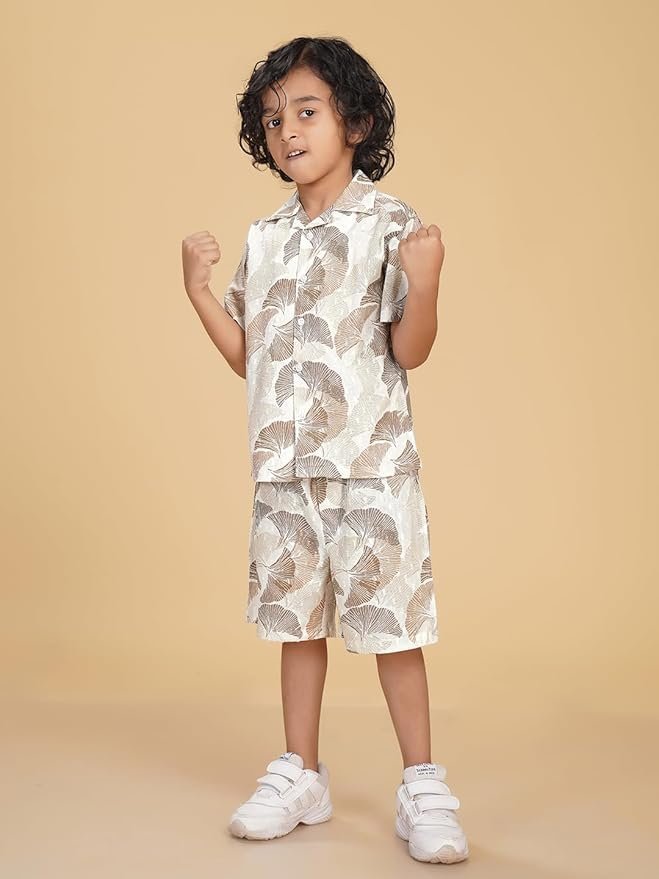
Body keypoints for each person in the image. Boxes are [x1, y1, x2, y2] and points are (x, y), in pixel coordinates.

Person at [181, 36, 469, 864]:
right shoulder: (266, 236)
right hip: (285, 470)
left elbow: (409, 349)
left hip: (372, 466)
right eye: (273, 120)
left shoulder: (391, 225)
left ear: (357, 122)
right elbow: (250, 358)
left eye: (306, 111)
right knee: (295, 624)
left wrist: (428, 278)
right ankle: (301, 771)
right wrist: (198, 291)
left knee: (392, 628)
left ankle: (421, 783)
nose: (288, 131)